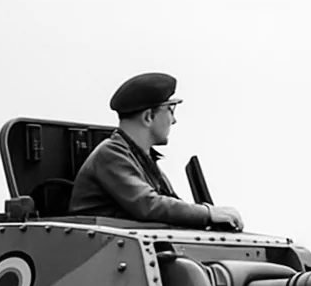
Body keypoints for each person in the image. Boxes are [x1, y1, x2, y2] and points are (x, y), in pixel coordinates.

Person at [68, 72, 244, 230]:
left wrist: (209, 215)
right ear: (148, 117)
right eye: (170, 110)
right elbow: (149, 205)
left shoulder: (140, 158)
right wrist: (207, 213)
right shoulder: (110, 155)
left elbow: (168, 204)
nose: (173, 120)